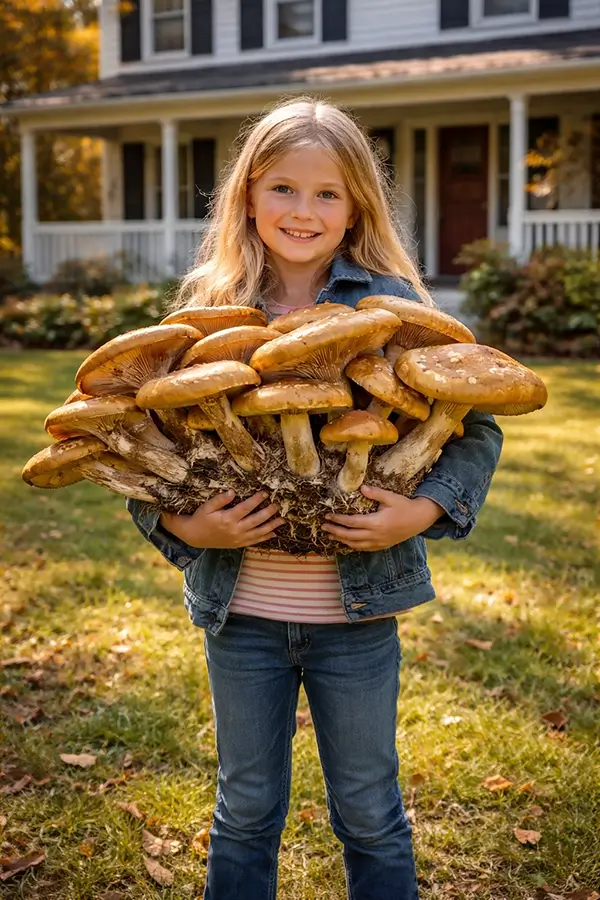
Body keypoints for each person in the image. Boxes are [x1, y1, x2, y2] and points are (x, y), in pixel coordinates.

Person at [127, 97, 503, 900]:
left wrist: (425, 510)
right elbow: (145, 449)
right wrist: (187, 525)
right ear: (248, 196)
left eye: (327, 193)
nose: (304, 210)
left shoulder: (392, 308)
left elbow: (476, 430)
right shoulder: (203, 317)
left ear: (356, 206)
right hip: (242, 615)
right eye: (284, 189)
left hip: (357, 618)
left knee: (369, 810)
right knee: (244, 808)